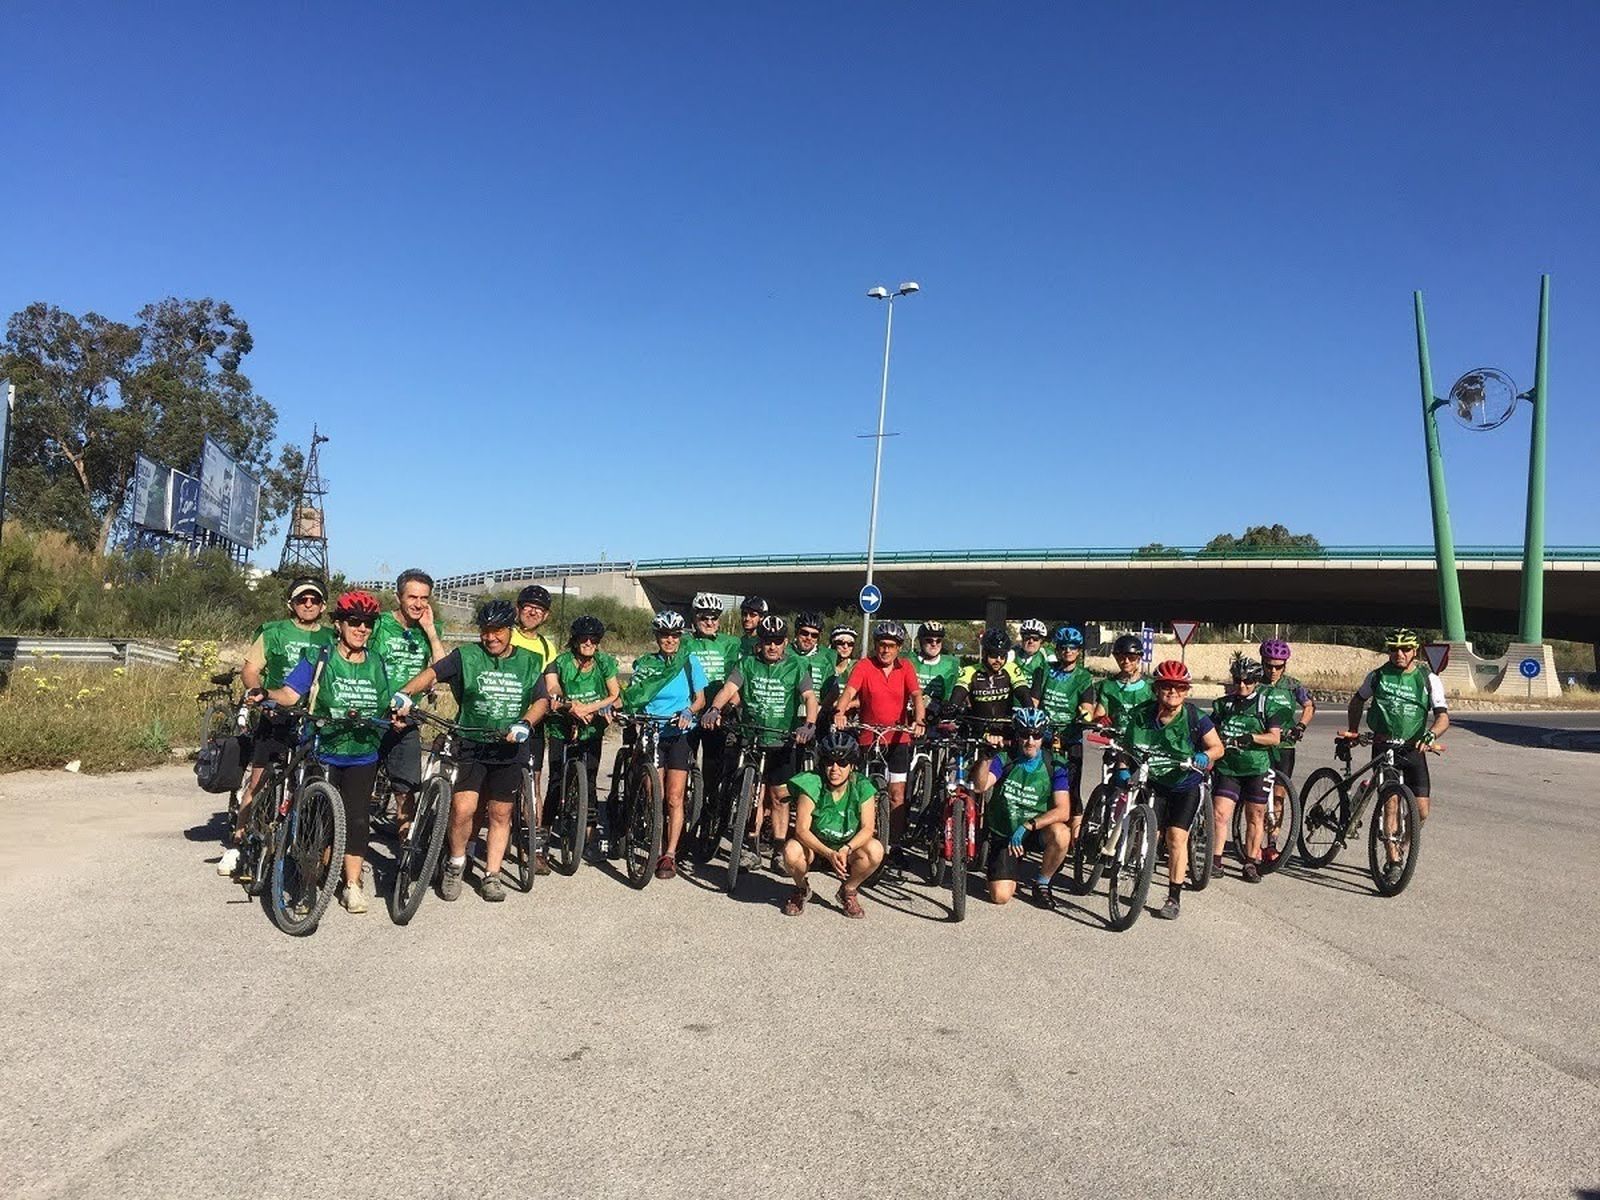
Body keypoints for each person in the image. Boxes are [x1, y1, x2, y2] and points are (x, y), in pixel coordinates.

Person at [393, 599, 548, 902]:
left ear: (510, 630)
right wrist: (405, 692)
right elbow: (433, 673)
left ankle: (491, 875)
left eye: (497, 631)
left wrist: (526, 723)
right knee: (463, 810)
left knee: (500, 812)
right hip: (471, 741)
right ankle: (456, 863)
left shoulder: (529, 661)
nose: (490, 637)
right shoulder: (466, 656)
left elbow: (540, 699)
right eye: (485, 631)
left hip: (509, 745)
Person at [268, 590, 395, 914]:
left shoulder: (377, 662)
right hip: (323, 750)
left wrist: (398, 713)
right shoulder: (319, 657)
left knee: (357, 819)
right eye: (354, 621)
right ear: (338, 624)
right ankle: (306, 885)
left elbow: (386, 701)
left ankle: (352, 885)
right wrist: (263, 695)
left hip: (363, 753)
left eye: (368, 623)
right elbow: (289, 692)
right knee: (315, 820)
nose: (362, 628)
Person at [220, 578, 335, 877]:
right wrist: (259, 695)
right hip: (275, 712)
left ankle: (300, 842)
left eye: (314, 599)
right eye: (302, 599)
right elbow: (251, 669)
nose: (308, 604)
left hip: (312, 717)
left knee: (311, 779)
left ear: (323, 605)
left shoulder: (332, 636)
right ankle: (238, 840)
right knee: (259, 781)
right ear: (291, 603)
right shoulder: (273, 631)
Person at [702, 615, 818, 867]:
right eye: (767, 641)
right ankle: (749, 848)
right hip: (751, 736)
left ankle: (778, 850)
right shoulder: (747, 664)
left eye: (777, 641)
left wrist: (809, 725)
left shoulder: (797, 665)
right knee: (750, 793)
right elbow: (729, 689)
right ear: (760, 642)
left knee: (779, 797)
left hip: (781, 739)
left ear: (785, 642)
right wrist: (714, 708)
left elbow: (809, 697)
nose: (772, 646)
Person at [1125, 660, 1224, 921]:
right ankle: (1141, 878)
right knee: (1150, 834)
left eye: (1180, 688)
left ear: (1187, 691)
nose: (1173, 692)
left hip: (1185, 785)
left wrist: (1204, 755)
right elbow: (1127, 747)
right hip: (1155, 782)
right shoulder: (1142, 714)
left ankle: (1173, 896)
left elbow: (1218, 747)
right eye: (1167, 687)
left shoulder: (1195, 717)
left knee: (1176, 838)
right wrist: (1124, 769)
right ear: (1157, 689)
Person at [620, 610, 707, 880]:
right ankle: (654, 841)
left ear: (680, 637)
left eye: (673, 635)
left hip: (679, 731)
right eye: (664, 635)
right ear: (657, 636)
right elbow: (633, 696)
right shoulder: (645, 663)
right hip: (652, 728)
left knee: (674, 796)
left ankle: (668, 854)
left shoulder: (689, 661)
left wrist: (689, 712)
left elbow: (700, 699)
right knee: (652, 792)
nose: (669, 640)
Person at [368, 568, 446, 844]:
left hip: (408, 717)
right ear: (398, 596)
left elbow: (442, 668)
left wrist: (430, 631)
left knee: (406, 789)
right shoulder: (378, 624)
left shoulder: (428, 630)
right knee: (359, 786)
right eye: (412, 597)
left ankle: (404, 851)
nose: (418, 604)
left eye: (424, 598)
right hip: (372, 714)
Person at [773, 730, 883, 918]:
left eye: (842, 763)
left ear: (852, 766)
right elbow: (801, 830)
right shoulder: (812, 783)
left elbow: (867, 828)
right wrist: (829, 853)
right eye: (829, 762)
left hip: (846, 847)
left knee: (875, 850)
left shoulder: (862, 786)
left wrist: (847, 848)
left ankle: (848, 890)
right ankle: (801, 889)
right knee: (791, 852)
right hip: (815, 846)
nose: (835, 768)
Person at [1344, 627, 1449, 825]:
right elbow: (1357, 702)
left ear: (1414, 651)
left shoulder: (1429, 679)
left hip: (1413, 748)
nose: (1399, 654)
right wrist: (1354, 731)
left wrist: (1431, 735)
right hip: (1384, 746)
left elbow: (1443, 718)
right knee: (1390, 804)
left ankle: (1405, 845)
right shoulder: (1377, 676)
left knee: (1422, 812)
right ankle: (1391, 855)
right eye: (1394, 649)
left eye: (1405, 649)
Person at [833, 620, 925, 843]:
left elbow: (916, 696)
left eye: (891, 645)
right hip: (868, 737)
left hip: (897, 738)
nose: (886, 650)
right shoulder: (865, 666)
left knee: (897, 794)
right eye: (882, 644)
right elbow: (849, 692)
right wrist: (840, 711)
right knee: (861, 792)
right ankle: (855, 840)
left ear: (899, 648)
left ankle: (894, 845)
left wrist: (920, 720)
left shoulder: (906, 668)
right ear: (875, 645)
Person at [972, 707, 1073, 908]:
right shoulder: (1005, 757)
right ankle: (1006, 868)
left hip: (1034, 830)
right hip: (1005, 832)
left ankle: (1043, 882)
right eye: (1025, 734)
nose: (1030, 741)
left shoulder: (1054, 764)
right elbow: (980, 786)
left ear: (1043, 736)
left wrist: (1028, 825)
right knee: (1000, 897)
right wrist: (986, 758)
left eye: (1036, 735)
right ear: (1017, 735)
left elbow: (1063, 810)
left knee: (1062, 833)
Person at [543, 615, 623, 856]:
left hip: (592, 728)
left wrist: (592, 708)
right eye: (583, 638)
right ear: (575, 640)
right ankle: (543, 838)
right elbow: (553, 690)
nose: (588, 642)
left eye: (593, 639)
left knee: (589, 780)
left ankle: (589, 839)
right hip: (562, 726)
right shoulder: (560, 662)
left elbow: (615, 693)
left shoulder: (604, 662)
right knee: (556, 782)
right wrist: (570, 705)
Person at [1209, 655, 1282, 883]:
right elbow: (1210, 731)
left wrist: (1250, 738)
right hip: (1228, 767)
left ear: (1256, 681)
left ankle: (1251, 861)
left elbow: (1274, 738)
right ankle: (1215, 860)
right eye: (1238, 680)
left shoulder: (1266, 704)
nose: (1242, 685)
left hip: (1256, 767)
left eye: (1248, 681)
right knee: (1219, 814)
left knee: (1255, 815)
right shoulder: (1223, 704)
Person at [685, 592, 743, 825]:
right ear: (695, 618)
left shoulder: (730, 643)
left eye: (714, 618)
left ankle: (708, 813)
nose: (709, 622)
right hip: (689, 709)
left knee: (712, 769)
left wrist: (729, 706)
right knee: (684, 764)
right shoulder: (685, 641)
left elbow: (734, 679)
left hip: (717, 712)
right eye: (704, 617)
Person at [1259, 637, 1314, 863]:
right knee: (1259, 795)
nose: (1273, 671)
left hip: (1285, 746)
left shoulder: (1293, 685)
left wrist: (1301, 725)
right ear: (1262, 662)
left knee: (1279, 796)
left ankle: (1272, 842)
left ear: (1285, 666)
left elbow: (1309, 706)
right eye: (1269, 665)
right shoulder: (1255, 681)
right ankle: (1255, 839)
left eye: (1278, 666)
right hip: (1260, 745)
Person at [1036, 624, 1097, 822]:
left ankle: (1074, 840)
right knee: (1041, 785)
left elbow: (1087, 706)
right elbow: (1035, 701)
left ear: (1079, 651)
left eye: (1072, 647)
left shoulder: (1084, 677)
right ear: (1057, 650)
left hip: (1070, 738)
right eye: (1063, 647)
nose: (1068, 651)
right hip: (1044, 735)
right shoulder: (1045, 670)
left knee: (1073, 792)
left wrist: (1085, 716)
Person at [511, 584, 562, 822]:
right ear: (518, 608)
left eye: (539, 609)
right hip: (502, 716)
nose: (533, 612)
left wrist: (556, 695)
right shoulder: (506, 634)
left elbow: (552, 682)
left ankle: (535, 844)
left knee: (533, 783)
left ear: (546, 615)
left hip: (533, 720)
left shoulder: (545, 646)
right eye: (529, 607)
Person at [947, 629, 1032, 750]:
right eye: (993, 655)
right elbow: (960, 691)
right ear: (985, 653)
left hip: (1005, 731)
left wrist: (1030, 709)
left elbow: (1023, 693)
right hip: (977, 732)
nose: (998, 659)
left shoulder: (1012, 669)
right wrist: (952, 705)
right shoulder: (970, 671)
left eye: (1002, 655)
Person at [1088, 633, 1153, 734]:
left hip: (1143, 742)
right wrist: (1101, 721)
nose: (1126, 661)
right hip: (1116, 742)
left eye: (1131, 657)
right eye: (1121, 657)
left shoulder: (1151, 686)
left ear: (1139, 658)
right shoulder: (1108, 685)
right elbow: (1099, 715)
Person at [911, 621, 961, 718]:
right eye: (929, 640)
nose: (934, 644)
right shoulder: (908, 661)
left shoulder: (952, 663)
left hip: (940, 718)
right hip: (911, 716)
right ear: (921, 641)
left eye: (938, 641)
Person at [817, 624, 858, 729]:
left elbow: (866, 698)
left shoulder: (857, 667)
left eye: (850, 644)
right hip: (821, 718)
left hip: (848, 722)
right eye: (840, 643)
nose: (845, 647)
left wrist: (849, 704)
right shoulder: (823, 665)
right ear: (832, 644)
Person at [788, 610, 837, 696]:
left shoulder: (827, 656)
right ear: (796, 632)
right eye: (804, 633)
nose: (809, 638)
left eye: (814, 635)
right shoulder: (785, 652)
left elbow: (830, 692)